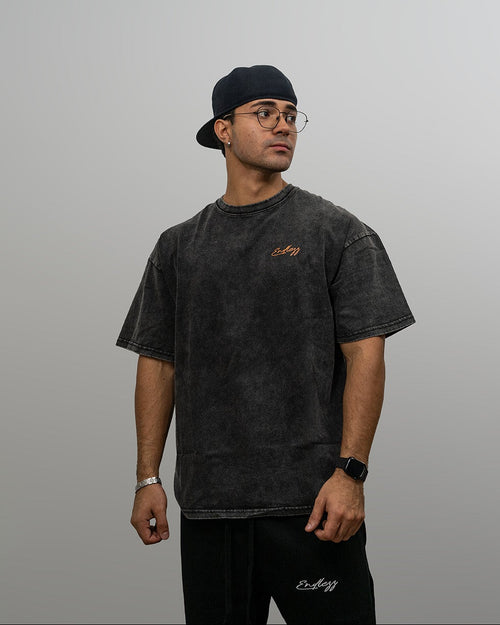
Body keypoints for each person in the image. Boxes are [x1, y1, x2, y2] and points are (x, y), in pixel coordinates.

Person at [116, 65, 415, 625]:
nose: (283, 125)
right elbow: (157, 363)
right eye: (264, 113)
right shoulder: (178, 247)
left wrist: (350, 475)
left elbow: (366, 356)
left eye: (291, 115)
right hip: (210, 507)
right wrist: (147, 478)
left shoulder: (337, 232)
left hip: (313, 504)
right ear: (223, 130)